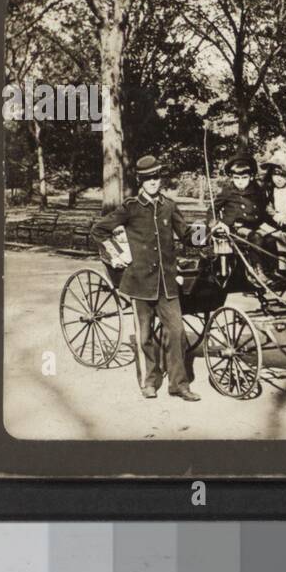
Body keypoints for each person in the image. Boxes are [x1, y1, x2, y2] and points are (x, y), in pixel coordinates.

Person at [90, 155, 201, 402]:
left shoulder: (169, 206)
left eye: (156, 177)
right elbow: (99, 230)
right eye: (147, 178)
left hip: (168, 284)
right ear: (141, 181)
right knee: (144, 336)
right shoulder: (130, 207)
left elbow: (186, 235)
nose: (153, 182)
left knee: (177, 332)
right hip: (139, 283)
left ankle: (179, 385)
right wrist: (116, 255)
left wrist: (208, 231)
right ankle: (149, 382)